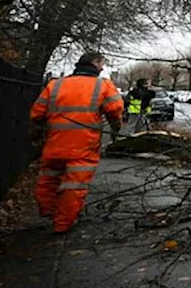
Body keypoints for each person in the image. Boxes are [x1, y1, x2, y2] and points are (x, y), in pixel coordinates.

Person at [30, 51, 123, 233]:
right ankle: (62, 224)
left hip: (55, 142)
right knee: (74, 186)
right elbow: (115, 109)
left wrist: (37, 134)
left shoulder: (55, 84)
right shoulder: (102, 85)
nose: (102, 68)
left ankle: (48, 211)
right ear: (94, 63)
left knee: (48, 178)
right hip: (83, 145)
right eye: (101, 63)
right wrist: (116, 128)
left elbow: (37, 114)